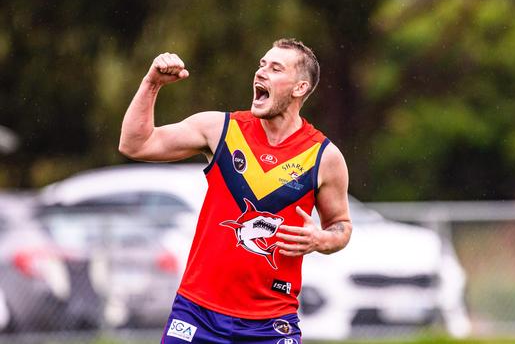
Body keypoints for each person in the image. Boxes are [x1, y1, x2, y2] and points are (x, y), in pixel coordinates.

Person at [119, 38, 352, 344]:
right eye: (261, 65)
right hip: (197, 313)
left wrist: (322, 239)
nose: (261, 73)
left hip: (271, 324)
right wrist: (152, 84)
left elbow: (342, 225)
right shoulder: (221, 130)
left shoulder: (324, 157)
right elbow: (135, 144)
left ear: (299, 88)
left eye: (275, 68)